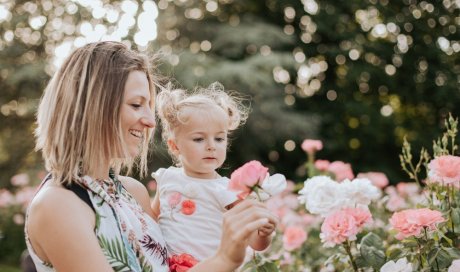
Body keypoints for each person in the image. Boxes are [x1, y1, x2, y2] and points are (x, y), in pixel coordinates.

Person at [25, 41, 278, 272]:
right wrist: (224, 259)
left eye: (149, 105)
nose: (149, 121)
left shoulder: (133, 193)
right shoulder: (58, 205)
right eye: (136, 105)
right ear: (92, 107)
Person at [151, 83, 277, 263]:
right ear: (175, 145)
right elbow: (150, 220)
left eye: (219, 138)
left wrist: (264, 234)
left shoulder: (228, 190)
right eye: (199, 139)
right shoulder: (167, 178)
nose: (211, 146)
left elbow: (254, 243)